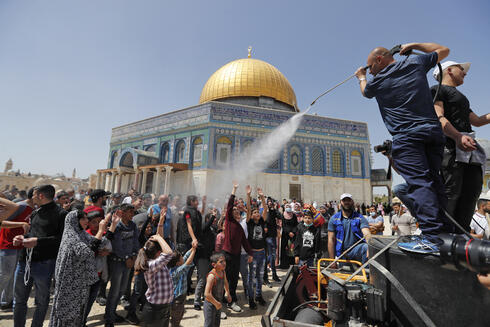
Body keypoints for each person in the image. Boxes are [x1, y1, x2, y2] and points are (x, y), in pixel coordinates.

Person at [355, 42, 450, 253]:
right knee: (434, 181)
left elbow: (365, 91)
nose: (370, 71)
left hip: (407, 137)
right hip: (432, 133)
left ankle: (432, 237)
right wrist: (414, 45)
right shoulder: (415, 62)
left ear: (379, 59)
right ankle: (444, 232)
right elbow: (444, 50)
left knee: (420, 184)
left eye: (371, 67)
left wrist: (361, 76)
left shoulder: (376, 81)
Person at [431, 61, 490, 233]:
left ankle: (462, 234)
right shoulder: (437, 90)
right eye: (461, 68)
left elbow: (477, 121)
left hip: (468, 150)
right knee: (452, 192)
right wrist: (457, 136)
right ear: (448, 70)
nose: (464, 72)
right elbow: (439, 117)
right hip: (451, 147)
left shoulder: (461, 97)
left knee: (472, 191)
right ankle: (446, 234)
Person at [12, 185, 67, 327]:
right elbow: (33, 234)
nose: (31, 198)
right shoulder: (36, 212)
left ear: (41, 196)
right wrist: (22, 237)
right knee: (19, 300)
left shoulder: (61, 214)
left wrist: (37, 241)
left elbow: (61, 239)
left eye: (34, 195)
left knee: (42, 301)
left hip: (44, 264)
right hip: (25, 262)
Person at [49, 210, 107, 326]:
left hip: (80, 282)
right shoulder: (71, 236)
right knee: (67, 312)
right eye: (83, 219)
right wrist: (100, 230)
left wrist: (112, 227)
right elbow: (86, 252)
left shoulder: (81, 234)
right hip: (70, 283)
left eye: (86, 218)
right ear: (75, 221)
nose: (87, 221)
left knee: (78, 312)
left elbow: (99, 243)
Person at [104, 203, 139, 327]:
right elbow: (117, 246)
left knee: (122, 290)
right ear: (122, 212)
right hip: (117, 262)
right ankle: (109, 318)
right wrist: (126, 258)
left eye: (132, 212)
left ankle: (112, 312)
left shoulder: (133, 225)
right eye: (130, 212)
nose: (132, 214)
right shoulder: (117, 226)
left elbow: (136, 242)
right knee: (114, 291)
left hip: (129, 262)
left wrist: (134, 256)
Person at [223, 182, 253, 313]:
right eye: (234, 211)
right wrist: (234, 190)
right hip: (227, 254)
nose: (236, 212)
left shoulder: (240, 227)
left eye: (237, 211)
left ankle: (232, 300)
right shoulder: (229, 222)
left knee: (234, 278)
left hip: (236, 255)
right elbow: (229, 206)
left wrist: (250, 253)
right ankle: (221, 303)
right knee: (225, 278)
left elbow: (245, 242)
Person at [0, 192, 33, 310]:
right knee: (4, 275)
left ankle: (6, 301)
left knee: (10, 275)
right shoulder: (21, 206)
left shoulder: (34, 209)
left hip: (19, 246)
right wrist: (21, 224)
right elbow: (2, 223)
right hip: (7, 245)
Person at [135, 234, 174, 327]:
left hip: (164, 307)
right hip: (155, 310)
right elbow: (169, 253)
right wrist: (159, 238)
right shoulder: (151, 265)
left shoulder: (157, 261)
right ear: (157, 253)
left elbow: (158, 236)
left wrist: (158, 235)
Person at [328, 194, 370, 264]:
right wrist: (332, 261)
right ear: (341, 202)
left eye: (348, 200)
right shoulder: (334, 219)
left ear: (352, 202)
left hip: (356, 250)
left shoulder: (359, 218)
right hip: (342, 253)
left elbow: (367, 233)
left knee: (366, 248)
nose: (346, 202)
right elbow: (330, 239)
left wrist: (370, 247)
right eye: (344, 201)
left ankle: (366, 273)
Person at [245, 186, 268, 309]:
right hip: (253, 254)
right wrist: (248, 195)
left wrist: (262, 197)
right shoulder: (249, 222)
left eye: (257, 212)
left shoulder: (262, 221)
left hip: (262, 253)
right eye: (255, 213)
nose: (257, 214)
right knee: (251, 278)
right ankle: (251, 298)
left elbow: (265, 209)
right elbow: (248, 209)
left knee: (260, 276)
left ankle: (259, 296)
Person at [169, 243, 196, 327]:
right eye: (181, 258)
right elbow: (187, 263)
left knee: (180, 314)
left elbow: (186, 256)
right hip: (177, 298)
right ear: (177, 262)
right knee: (176, 317)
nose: (183, 258)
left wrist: (192, 248)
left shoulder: (178, 265)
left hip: (181, 296)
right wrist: (194, 251)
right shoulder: (176, 272)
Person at [203, 252, 231, 327]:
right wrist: (216, 303)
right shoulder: (212, 276)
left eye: (224, 261)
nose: (224, 263)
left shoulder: (223, 271)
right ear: (214, 265)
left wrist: (228, 293)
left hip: (218, 303)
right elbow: (207, 294)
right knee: (209, 324)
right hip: (210, 305)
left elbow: (225, 282)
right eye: (221, 262)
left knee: (216, 323)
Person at [279, 203, 297, 268]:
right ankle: (284, 264)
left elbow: (296, 224)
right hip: (285, 234)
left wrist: (293, 232)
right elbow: (283, 225)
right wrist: (289, 232)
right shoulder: (283, 215)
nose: (288, 208)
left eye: (289, 207)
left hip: (293, 235)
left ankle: (292, 263)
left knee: (292, 249)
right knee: (285, 249)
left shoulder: (294, 215)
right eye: (287, 207)